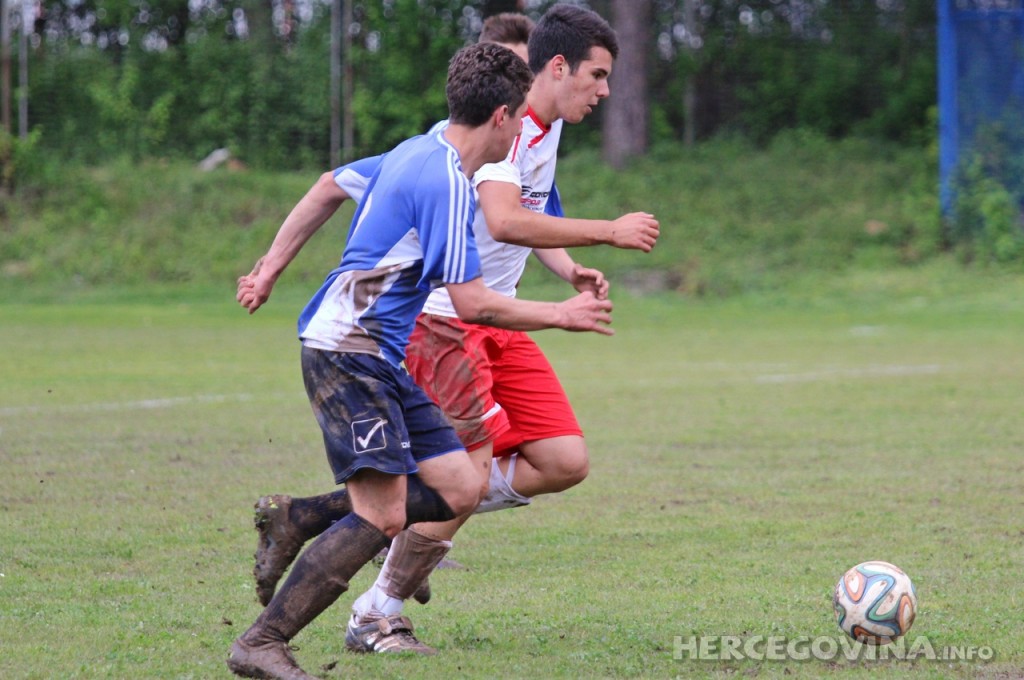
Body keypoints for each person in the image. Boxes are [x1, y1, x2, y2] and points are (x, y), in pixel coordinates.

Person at [237, 3, 660, 655]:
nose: (604, 91)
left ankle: (318, 519)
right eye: (598, 76)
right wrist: (601, 243)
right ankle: (371, 612)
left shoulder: (533, 132)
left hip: (490, 315)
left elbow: (532, 213)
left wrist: (569, 269)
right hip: (431, 325)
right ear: (553, 69)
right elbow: (498, 227)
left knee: (557, 461)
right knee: (454, 479)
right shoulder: (467, 149)